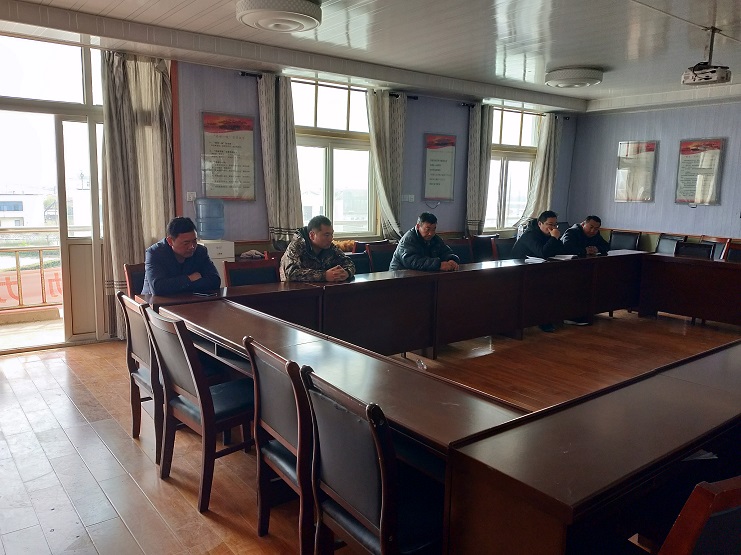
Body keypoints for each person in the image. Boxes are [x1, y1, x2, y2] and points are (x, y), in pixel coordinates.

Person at [141, 217, 221, 295]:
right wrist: (189, 279)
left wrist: (177, 285)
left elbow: (215, 281)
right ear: (170, 241)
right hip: (154, 302)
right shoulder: (155, 253)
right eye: (186, 243)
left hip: (189, 300)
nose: (192, 247)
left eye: (194, 241)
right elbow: (158, 288)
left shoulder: (200, 251)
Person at [280, 215, 355, 282]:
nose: (330, 239)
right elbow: (290, 273)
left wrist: (346, 273)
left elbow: (349, 263)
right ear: (312, 235)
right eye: (326, 235)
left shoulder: (329, 246)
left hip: (321, 289)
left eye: (331, 234)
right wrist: (324, 275)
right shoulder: (297, 245)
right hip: (294, 290)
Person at [389, 212, 460, 271]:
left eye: (433, 229)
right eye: (427, 229)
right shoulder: (408, 239)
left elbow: (445, 251)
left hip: (421, 275)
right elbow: (413, 261)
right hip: (399, 275)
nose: (431, 233)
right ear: (418, 226)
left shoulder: (434, 238)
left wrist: (451, 260)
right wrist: (438, 265)